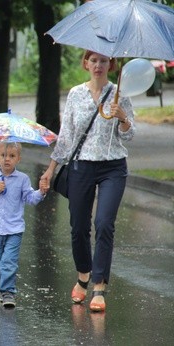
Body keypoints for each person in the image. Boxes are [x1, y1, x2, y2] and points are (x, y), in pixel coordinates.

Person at [40, 50, 135, 313]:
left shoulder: (119, 94)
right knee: (78, 227)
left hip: (112, 167)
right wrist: (50, 170)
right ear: (86, 64)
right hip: (81, 166)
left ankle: (99, 285)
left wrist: (123, 118)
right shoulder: (75, 94)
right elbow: (67, 136)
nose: (98, 65)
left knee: (104, 223)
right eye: (93, 60)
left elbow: (130, 135)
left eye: (104, 61)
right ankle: (83, 273)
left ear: (111, 65)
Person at [0, 142, 48, 308]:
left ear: (18, 159)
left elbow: (30, 198)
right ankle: (3, 283)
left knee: (8, 262)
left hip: (14, 229)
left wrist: (41, 192)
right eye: (3, 155)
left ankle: (8, 292)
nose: (6, 159)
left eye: (11, 156)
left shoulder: (22, 179)